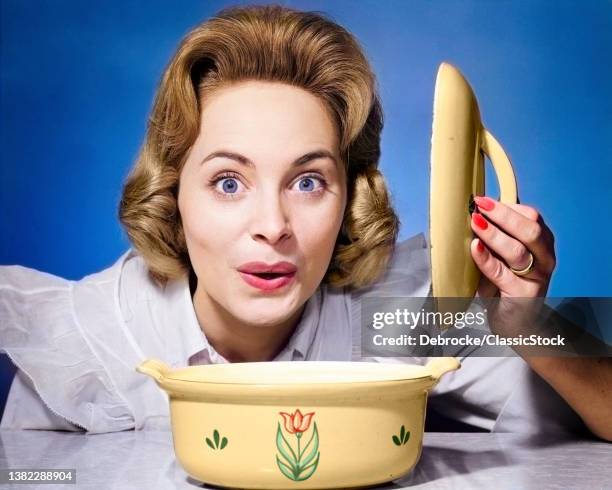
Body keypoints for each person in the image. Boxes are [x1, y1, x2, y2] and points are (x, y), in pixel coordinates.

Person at [0, 4, 610, 440]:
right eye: (228, 182)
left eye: (309, 181)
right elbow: (23, 476)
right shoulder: (91, 339)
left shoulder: (392, 315)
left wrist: (531, 324)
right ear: (172, 196)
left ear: (349, 199)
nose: (273, 225)